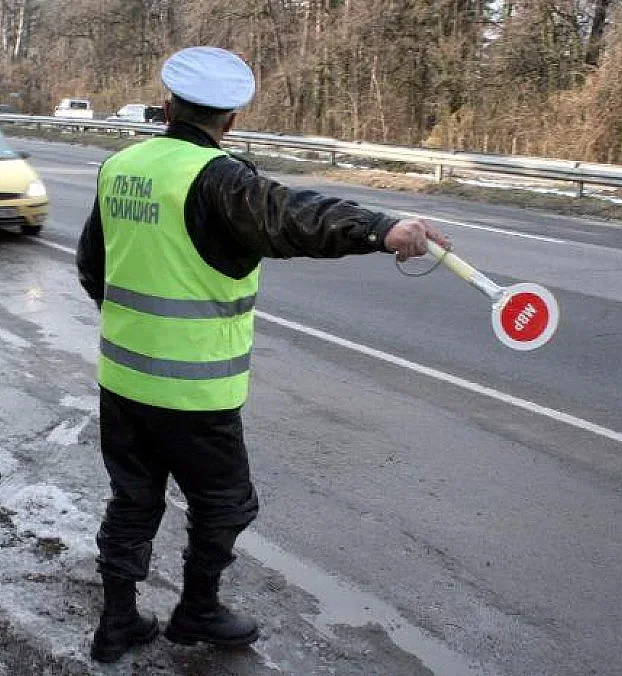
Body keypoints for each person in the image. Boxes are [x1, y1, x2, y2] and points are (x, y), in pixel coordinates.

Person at [76, 45, 449, 663]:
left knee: (132, 500)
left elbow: (94, 267)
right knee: (227, 504)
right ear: (230, 120)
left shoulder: (121, 166)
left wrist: (133, 332)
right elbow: (292, 216)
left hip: (122, 381)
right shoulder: (218, 179)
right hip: (194, 393)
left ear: (168, 106)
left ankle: (117, 622)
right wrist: (381, 228)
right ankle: (197, 610)